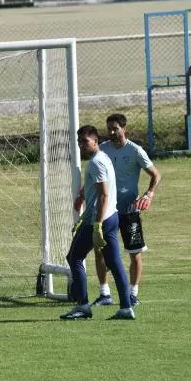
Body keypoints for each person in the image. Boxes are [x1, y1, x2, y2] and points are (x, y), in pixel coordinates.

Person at [61, 126, 134, 321]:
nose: (81, 145)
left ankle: (83, 306)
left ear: (95, 141)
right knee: (114, 262)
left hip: (101, 219)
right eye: (79, 142)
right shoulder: (103, 158)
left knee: (75, 257)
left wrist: (96, 225)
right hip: (109, 217)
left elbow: (103, 195)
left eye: (85, 141)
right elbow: (97, 196)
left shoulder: (96, 163)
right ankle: (126, 308)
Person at [90, 113, 162, 308]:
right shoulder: (103, 150)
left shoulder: (135, 151)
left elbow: (156, 174)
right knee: (100, 250)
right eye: (109, 129)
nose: (112, 132)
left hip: (129, 210)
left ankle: (133, 294)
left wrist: (148, 195)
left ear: (124, 129)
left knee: (134, 253)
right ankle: (105, 293)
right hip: (107, 211)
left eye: (115, 128)